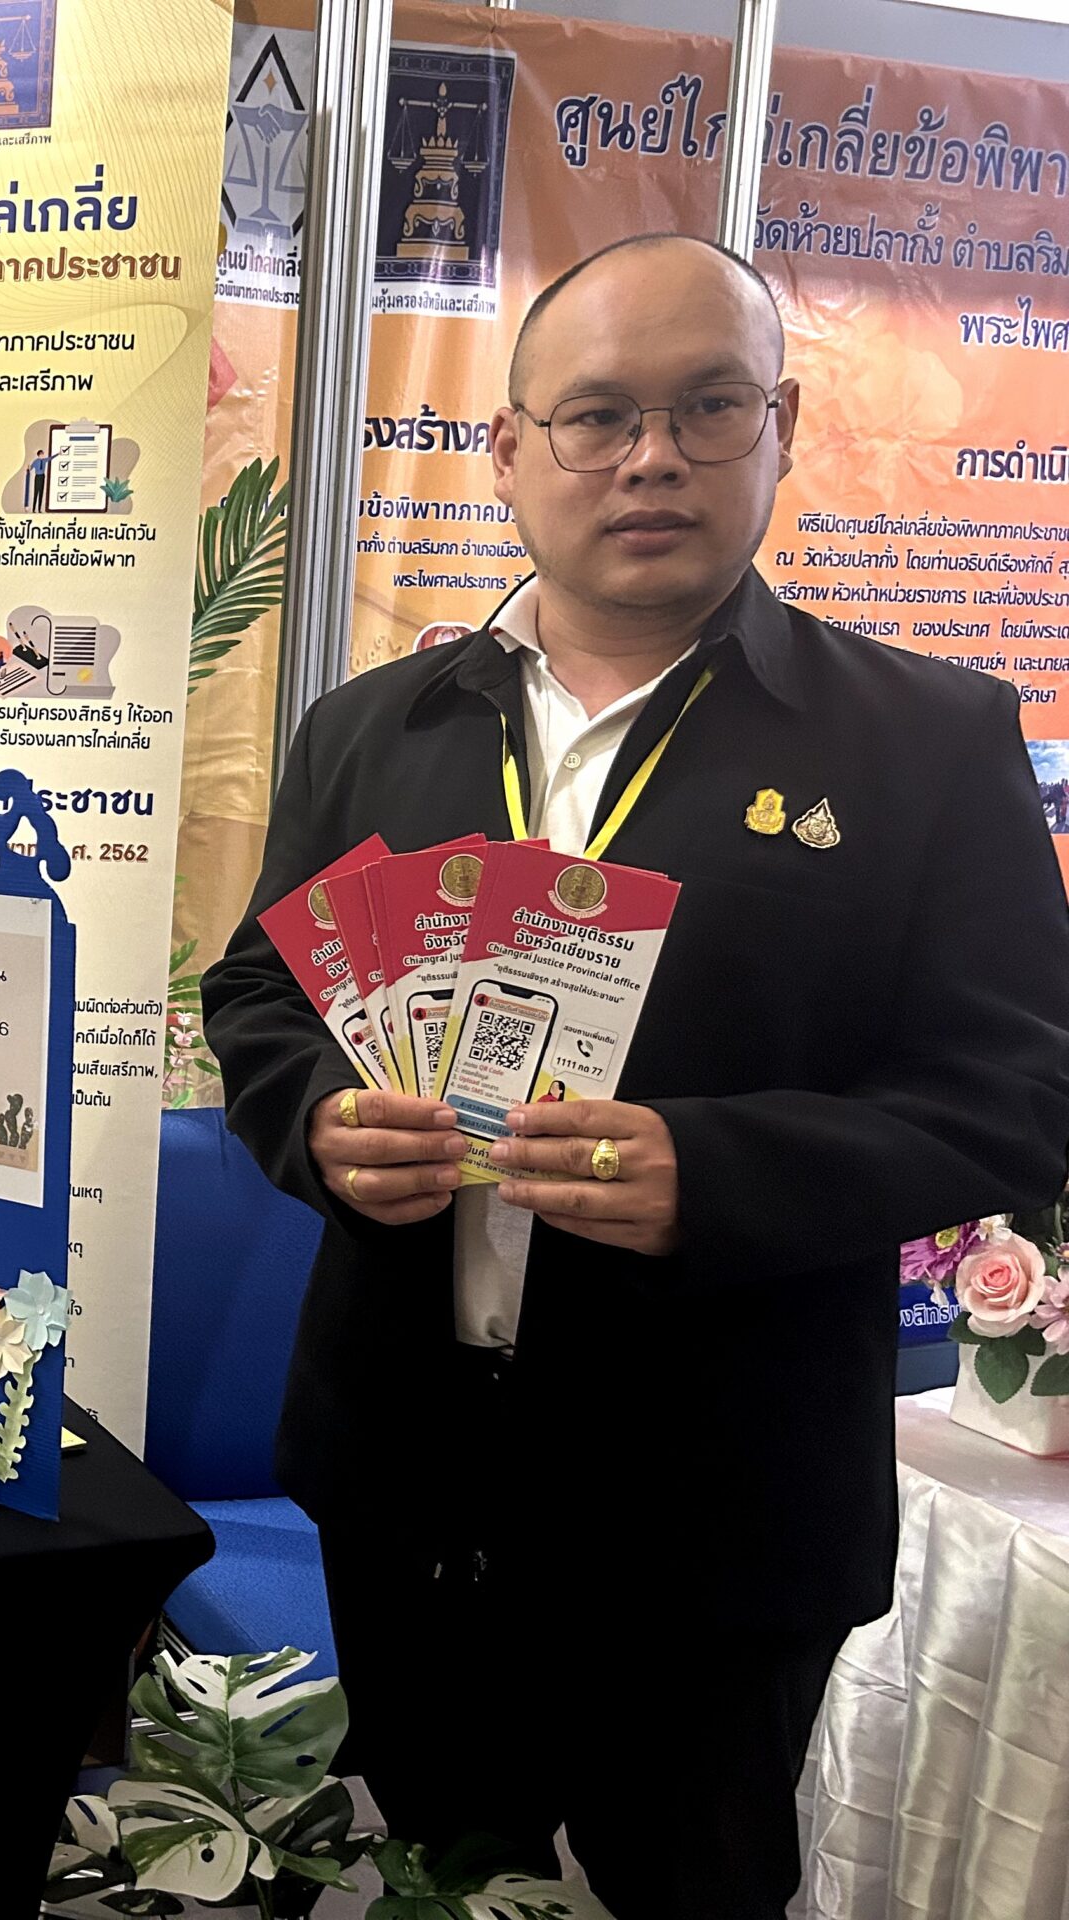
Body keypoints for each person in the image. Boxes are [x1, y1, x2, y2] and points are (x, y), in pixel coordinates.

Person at [200, 233, 1069, 1919]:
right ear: (509, 449)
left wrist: (713, 1173)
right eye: (598, 415)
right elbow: (261, 989)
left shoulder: (925, 740)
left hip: (719, 1517)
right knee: (427, 1877)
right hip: (406, 1477)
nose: (652, 457)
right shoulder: (374, 728)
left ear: (781, 425)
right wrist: (315, 1119)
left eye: (708, 407)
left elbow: (1017, 1097)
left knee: (696, 1889)